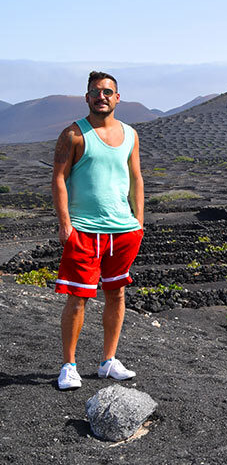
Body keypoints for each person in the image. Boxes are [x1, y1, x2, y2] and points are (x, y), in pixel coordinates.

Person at [51, 71, 144, 390]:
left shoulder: (131, 134)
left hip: (123, 230)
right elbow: (59, 179)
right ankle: (68, 365)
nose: (101, 96)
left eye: (107, 92)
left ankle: (108, 361)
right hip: (85, 230)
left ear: (118, 98)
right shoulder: (74, 134)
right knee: (78, 297)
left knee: (116, 292)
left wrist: (139, 223)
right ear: (87, 97)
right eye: (95, 92)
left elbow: (136, 178)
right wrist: (66, 223)